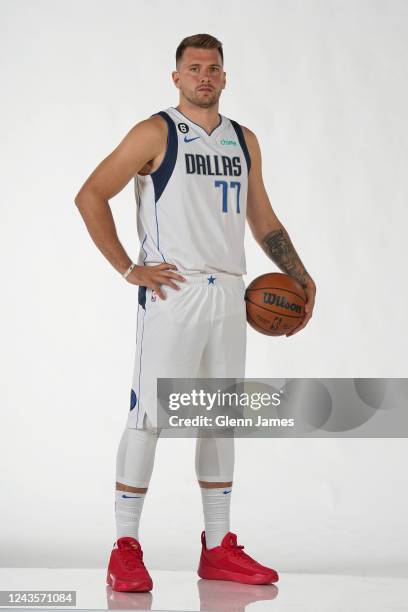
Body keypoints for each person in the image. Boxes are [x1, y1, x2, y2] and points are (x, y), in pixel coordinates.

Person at [75, 33, 316, 593]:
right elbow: (91, 194)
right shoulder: (154, 132)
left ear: (225, 78)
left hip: (230, 293)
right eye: (194, 68)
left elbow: (264, 219)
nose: (204, 76)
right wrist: (127, 267)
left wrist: (300, 275)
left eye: (213, 68)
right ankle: (126, 547)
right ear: (176, 77)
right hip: (173, 290)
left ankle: (217, 547)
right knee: (150, 415)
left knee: (219, 417)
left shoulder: (244, 140)